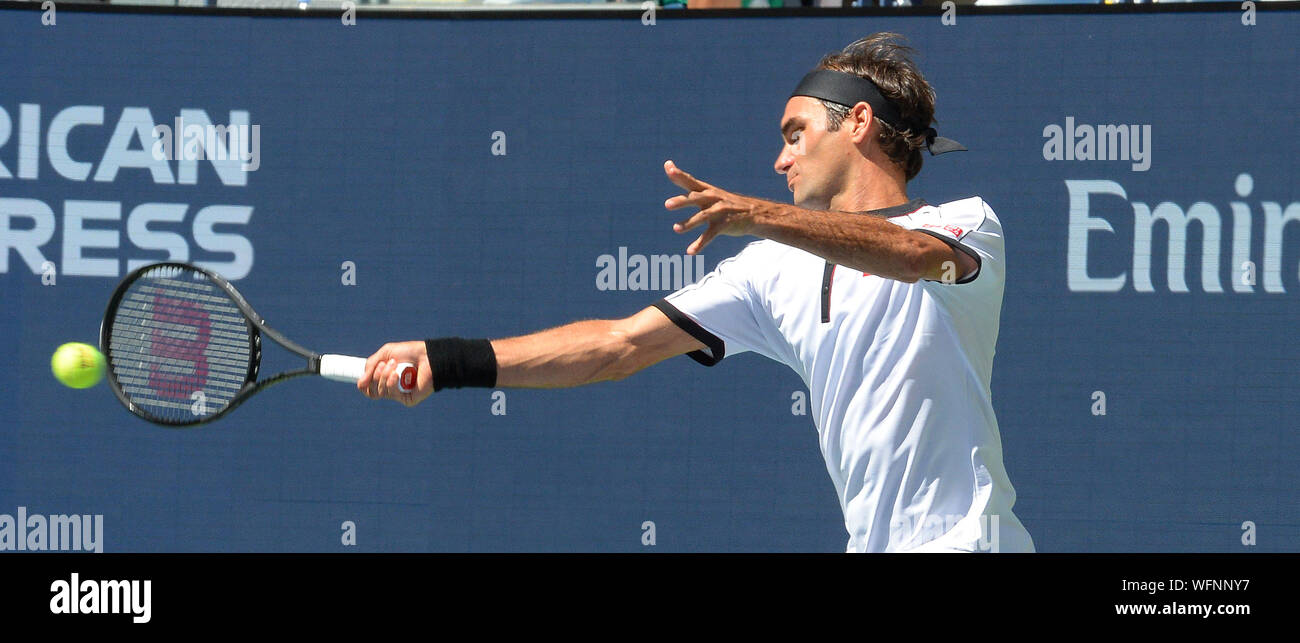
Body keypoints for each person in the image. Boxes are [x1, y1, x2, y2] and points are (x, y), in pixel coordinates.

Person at [359, 32, 1034, 553]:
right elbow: (616, 345)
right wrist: (448, 361)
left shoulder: (964, 224)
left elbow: (915, 258)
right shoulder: (772, 269)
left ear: (857, 122)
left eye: (794, 134)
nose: (780, 159)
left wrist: (757, 214)